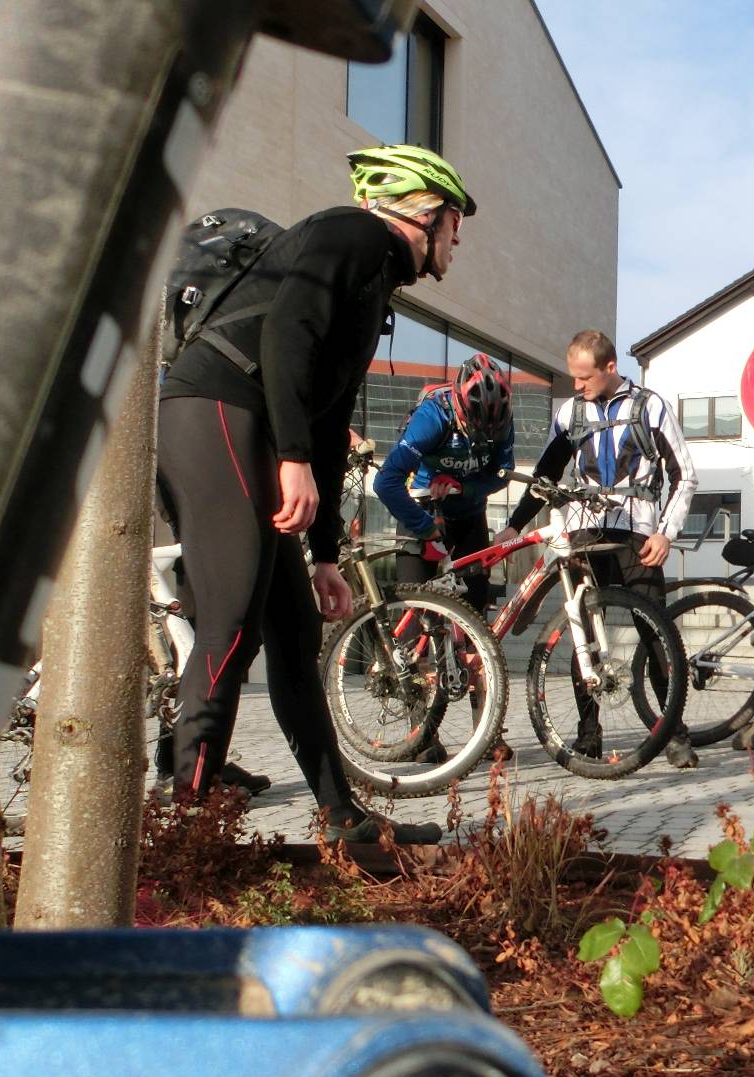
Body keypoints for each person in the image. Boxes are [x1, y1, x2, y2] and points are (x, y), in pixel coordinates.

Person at [153, 142, 477, 846]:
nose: (458, 240)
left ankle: (341, 818)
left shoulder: (374, 282)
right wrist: (292, 459)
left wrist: (325, 553)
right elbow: (286, 332)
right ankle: (187, 830)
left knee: (294, 633)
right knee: (231, 622)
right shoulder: (354, 233)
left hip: (250, 427)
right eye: (456, 222)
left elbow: (330, 420)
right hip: (214, 411)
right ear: (427, 213)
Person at [496, 329, 698, 766]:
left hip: (638, 537)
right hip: (585, 534)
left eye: (585, 377)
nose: (577, 385)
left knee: (656, 635)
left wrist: (665, 533)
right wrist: (513, 526)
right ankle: (589, 736)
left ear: (610, 367)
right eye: (573, 376)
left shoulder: (650, 407)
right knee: (583, 637)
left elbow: (685, 475)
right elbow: (546, 476)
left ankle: (674, 733)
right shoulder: (570, 412)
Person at [370, 351, 515, 763]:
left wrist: (465, 487)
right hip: (420, 514)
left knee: (477, 626)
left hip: (468, 518)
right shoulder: (433, 417)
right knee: (417, 621)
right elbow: (386, 482)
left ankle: (488, 730)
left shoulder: (502, 420)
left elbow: (500, 475)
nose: (481, 434)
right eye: (473, 426)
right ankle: (421, 734)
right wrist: (424, 526)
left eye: (489, 429)